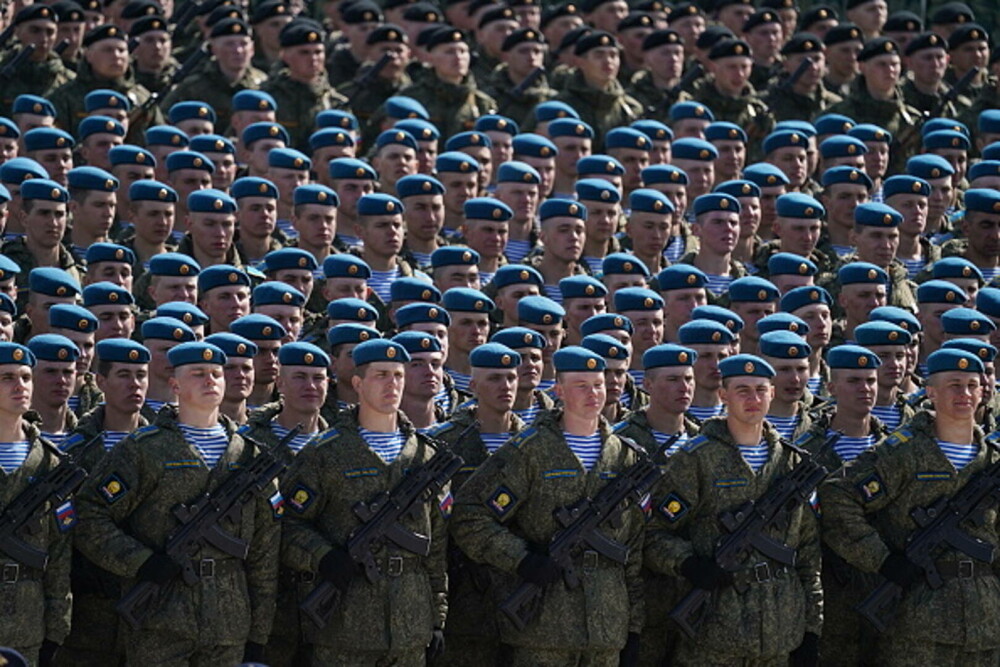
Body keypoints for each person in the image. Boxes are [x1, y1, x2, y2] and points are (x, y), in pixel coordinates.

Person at [74, 340, 280, 666]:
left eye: (216, 373)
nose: (210, 380)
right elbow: (89, 514)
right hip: (161, 616)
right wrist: (140, 561)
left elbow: (264, 552)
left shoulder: (250, 456)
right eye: (198, 374)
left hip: (228, 621)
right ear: (175, 385)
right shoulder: (144, 449)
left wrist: (259, 632)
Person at [451, 346, 645, 666]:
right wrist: (521, 558)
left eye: (597, 384)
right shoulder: (528, 450)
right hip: (543, 627)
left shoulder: (625, 457)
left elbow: (633, 548)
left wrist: (634, 626)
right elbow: (470, 515)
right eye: (581, 385)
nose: (593, 393)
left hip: (606, 627)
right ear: (558, 390)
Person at [820, 348, 1000, 665]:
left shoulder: (992, 460)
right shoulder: (902, 452)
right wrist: (883, 560)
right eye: (954, 385)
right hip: (917, 620)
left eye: (972, 385)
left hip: (985, 622)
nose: (965, 394)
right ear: (930, 391)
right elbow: (838, 496)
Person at [279, 338, 449, 665]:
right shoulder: (324, 453)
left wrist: (437, 617)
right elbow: (288, 524)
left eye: (398, 375)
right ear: (357, 383)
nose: (392, 384)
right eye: (381, 375)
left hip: (410, 625)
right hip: (346, 625)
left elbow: (436, 545)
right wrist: (323, 556)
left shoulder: (426, 455)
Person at [644, 353, 821, 665]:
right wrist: (688, 564)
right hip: (715, 629)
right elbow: (654, 533)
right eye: (742, 391)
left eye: (760, 390)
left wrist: (811, 628)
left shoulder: (791, 463)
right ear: (723, 395)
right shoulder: (696, 458)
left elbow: (806, 551)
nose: (753, 399)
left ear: (772, 393)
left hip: (780, 630)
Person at [426, 342, 525, 666]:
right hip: (462, 595)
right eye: (495, 378)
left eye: (511, 377)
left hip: (525, 593)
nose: (506, 386)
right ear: (472, 385)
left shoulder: (534, 443)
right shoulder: (446, 442)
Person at [57, 338, 151, 667]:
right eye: (124, 374)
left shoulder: (163, 448)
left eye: (141, 375)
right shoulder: (74, 452)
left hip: (153, 608)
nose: (134, 384)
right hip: (89, 612)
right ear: (100, 381)